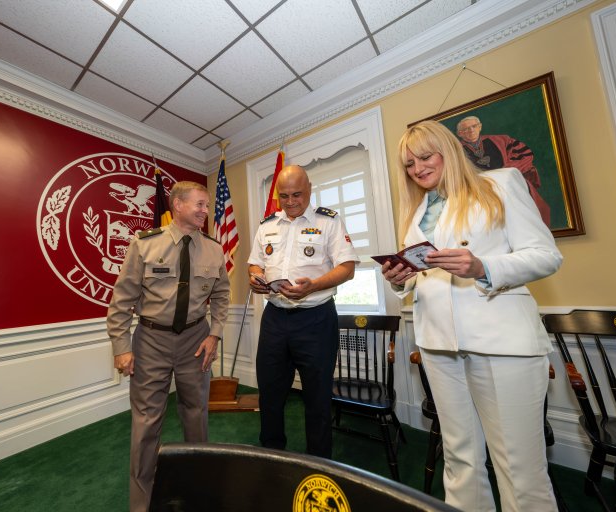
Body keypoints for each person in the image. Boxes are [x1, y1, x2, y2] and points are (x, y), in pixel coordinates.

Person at [384, 120, 562, 511]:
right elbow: (419, 279)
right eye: (409, 164)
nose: (418, 169)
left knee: (519, 468)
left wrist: (483, 267)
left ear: (448, 150)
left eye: (425, 157)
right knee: (460, 459)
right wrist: (400, 280)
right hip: (437, 345)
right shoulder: (417, 212)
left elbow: (547, 256)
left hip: (502, 342)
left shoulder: (500, 183)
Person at [107, 181, 230, 512]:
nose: (206, 211)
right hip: (151, 342)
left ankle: (197, 487)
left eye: (207, 206)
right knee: (146, 422)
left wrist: (214, 334)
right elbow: (122, 300)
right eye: (200, 205)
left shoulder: (214, 248)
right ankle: (141, 501)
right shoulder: (144, 245)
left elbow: (220, 296)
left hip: (196, 340)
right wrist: (121, 346)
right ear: (177, 205)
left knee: (196, 415)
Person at [248, 165, 359, 459]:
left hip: (316, 318)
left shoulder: (329, 222)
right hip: (274, 319)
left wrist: (313, 286)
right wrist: (255, 276)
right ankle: (271, 454)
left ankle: (319, 461)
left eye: (297, 194)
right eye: (283, 196)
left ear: (309, 189)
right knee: (270, 393)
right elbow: (255, 263)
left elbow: (347, 268)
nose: (290, 201)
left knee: (317, 397)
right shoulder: (267, 225)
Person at [456, 115, 552, 227]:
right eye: (466, 129)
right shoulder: (455, 151)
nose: (471, 130)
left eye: (474, 126)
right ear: (460, 134)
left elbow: (524, 156)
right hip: (479, 194)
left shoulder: (502, 140)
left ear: (480, 127)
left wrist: (503, 174)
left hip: (508, 187)